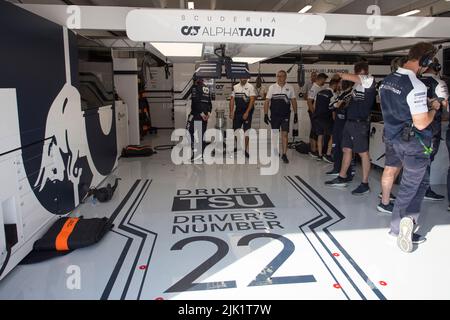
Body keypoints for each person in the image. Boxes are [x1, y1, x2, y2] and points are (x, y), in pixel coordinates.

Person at [379, 42, 441, 253]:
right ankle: (398, 228)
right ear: (424, 61)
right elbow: (422, 122)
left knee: (419, 183)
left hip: (394, 140)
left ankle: (409, 221)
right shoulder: (417, 85)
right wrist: (433, 108)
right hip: (415, 143)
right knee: (411, 186)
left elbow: (398, 109)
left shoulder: (386, 81)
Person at [325, 62, 376, 196]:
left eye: (357, 72)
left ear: (363, 71)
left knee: (363, 153)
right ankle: (342, 177)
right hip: (349, 122)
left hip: (359, 124)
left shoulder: (369, 80)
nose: (355, 74)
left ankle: (365, 184)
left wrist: (340, 75)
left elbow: (349, 77)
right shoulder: (357, 85)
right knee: (346, 149)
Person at [377, 57, 407, 214]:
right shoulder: (404, 83)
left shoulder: (385, 82)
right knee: (391, 167)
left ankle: (385, 195)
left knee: (396, 165)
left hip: (390, 127)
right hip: (399, 130)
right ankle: (385, 202)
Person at [419, 57, 449, 201]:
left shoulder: (415, 80)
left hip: (415, 126)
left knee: (416, 158)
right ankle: (424, 189)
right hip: (431, 128)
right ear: (436, 67)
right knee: (428, 158)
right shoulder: (439, 83)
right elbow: (446, 107)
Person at [264, 70, 298, 164]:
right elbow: (267, 101)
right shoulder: (272, 87)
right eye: (278, 76)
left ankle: (284, 154)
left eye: (282, 76)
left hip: (285, 115)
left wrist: (296, 114)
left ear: (285, 77)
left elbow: (294, 100)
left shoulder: (290, 87)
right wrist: (266, 114)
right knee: (275, 134)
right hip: (274, 115)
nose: (280, 78)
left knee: (285, 134)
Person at [327, 80, 354, 177]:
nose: (339, 85)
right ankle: (336, 168)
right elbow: (331, 106)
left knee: (345, 149)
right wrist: (338, 104)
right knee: (336, 147)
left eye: (341, 83)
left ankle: (348, 172)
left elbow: (343, 106)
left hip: (346, 125)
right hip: (337, 124)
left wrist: (339, 104)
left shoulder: (351, 94)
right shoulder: (341, 95)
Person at [312, 77, 340, 163]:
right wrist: (335, 120)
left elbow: (314, 105)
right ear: (334, 85)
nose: (338, 87)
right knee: (333, 135)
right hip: (327, 118)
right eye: (338, 86)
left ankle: (320, 155)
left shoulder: (319, 92)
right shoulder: (333, 95)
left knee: (320, 136)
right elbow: (333, 108)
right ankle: (328, 155)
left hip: (317, 117)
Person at [229, 78, 257, 157]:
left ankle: (244, 150)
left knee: (246, 131)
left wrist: (247, 112)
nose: (243, 78)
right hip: (238, 112)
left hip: (247, 112)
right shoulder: (235, 87)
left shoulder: (250, 87)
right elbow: (232, 100)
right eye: (242, 77)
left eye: (245, 77)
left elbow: (252, 101)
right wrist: (231, 111)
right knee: (235, 130)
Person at [186, 77, 212, 161]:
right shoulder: (207, 88)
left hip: (197, 115)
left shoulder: (195, 87)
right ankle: (202, 155)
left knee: (191, 133)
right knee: (202, 135)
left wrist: (201, 114)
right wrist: (208, 114)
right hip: (205, 116)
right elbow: (209, 104)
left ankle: (197, 155)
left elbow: (195, 102)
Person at [307, 73, 328, 158]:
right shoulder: (314, 88)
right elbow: (309, 101)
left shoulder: (319, 87)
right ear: (321, 79)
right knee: (314, 130)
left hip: (318, 113)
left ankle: (314, 149)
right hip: (314, 112)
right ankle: (313, 150)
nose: (324, 82)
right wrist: (313, 113)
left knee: (315, 130)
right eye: (324, 80)